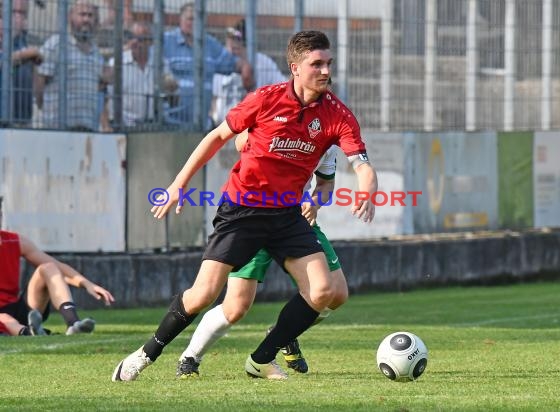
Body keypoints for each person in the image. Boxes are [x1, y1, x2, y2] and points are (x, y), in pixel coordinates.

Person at [112, 30, 377, 382]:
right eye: (317, 64)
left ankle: (261, 358)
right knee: (205, 294)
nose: (326, 71)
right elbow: (217, 137)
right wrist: (178, 184)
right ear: (295, 68)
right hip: (243, 210)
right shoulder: (265, 99)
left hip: (286, 215)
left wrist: (367, 188)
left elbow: (360, 164)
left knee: (325, 291)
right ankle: (147, 353)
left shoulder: (336, 114)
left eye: (328, 63)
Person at [176, 143, 345, 378]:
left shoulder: (328, 134)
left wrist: (314, 203)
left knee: (337, 293)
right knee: (235, 307)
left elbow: (325, 184)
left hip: (294, 221)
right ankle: (190, 357)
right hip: (253, 216)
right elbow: (236, 139)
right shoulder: (273, 117)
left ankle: (282, 333)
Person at [0, 198, 116, 336]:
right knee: (4, 319)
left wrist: (87, 284)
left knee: (48, 267)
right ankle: (30, 333)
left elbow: (58, 267)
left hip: (20, 308)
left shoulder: (14, 240)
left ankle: (73, 324)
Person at [162, 1, 253, 129]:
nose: (193, 23)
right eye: (190, 19)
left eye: (198, 19)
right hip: (171, 125)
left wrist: (244, 67)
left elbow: (231, 62)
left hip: (201, 126)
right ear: (180, 20)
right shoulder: (167, 41)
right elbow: (153, 66)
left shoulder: (210, 44)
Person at [35, 0, 111, 131]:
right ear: (70, 17)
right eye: (82, 14)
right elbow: (40, 82)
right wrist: (44, 107)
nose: (86, 19)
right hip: (58, 129)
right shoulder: (56, 44)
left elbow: (100, 91)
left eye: (90, 15)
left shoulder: (96, 54)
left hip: (87, 129)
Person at [211, 22, 287, 126]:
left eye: (235, 49)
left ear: (248, 48)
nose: (230, 53)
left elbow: (283, 88)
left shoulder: (262, 62)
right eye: (228, 47)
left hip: (254, 126)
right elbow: (214, 98)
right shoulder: (223, 63)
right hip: (225, 126)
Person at [105, 21, 178, 128]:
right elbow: (106, 98)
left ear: (150, 42)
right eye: (131, 37)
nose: (135, 42)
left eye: (141, 39)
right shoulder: (117, 63)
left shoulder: (160, 64)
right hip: (123, 125)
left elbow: (173, 95)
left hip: (152, 125)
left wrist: (171, 88)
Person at [0, 0, 42, 126]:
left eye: (23, 14)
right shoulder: (24, 50)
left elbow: (38, 94)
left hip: (22, 124)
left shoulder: (21, 42)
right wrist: (25, 55)